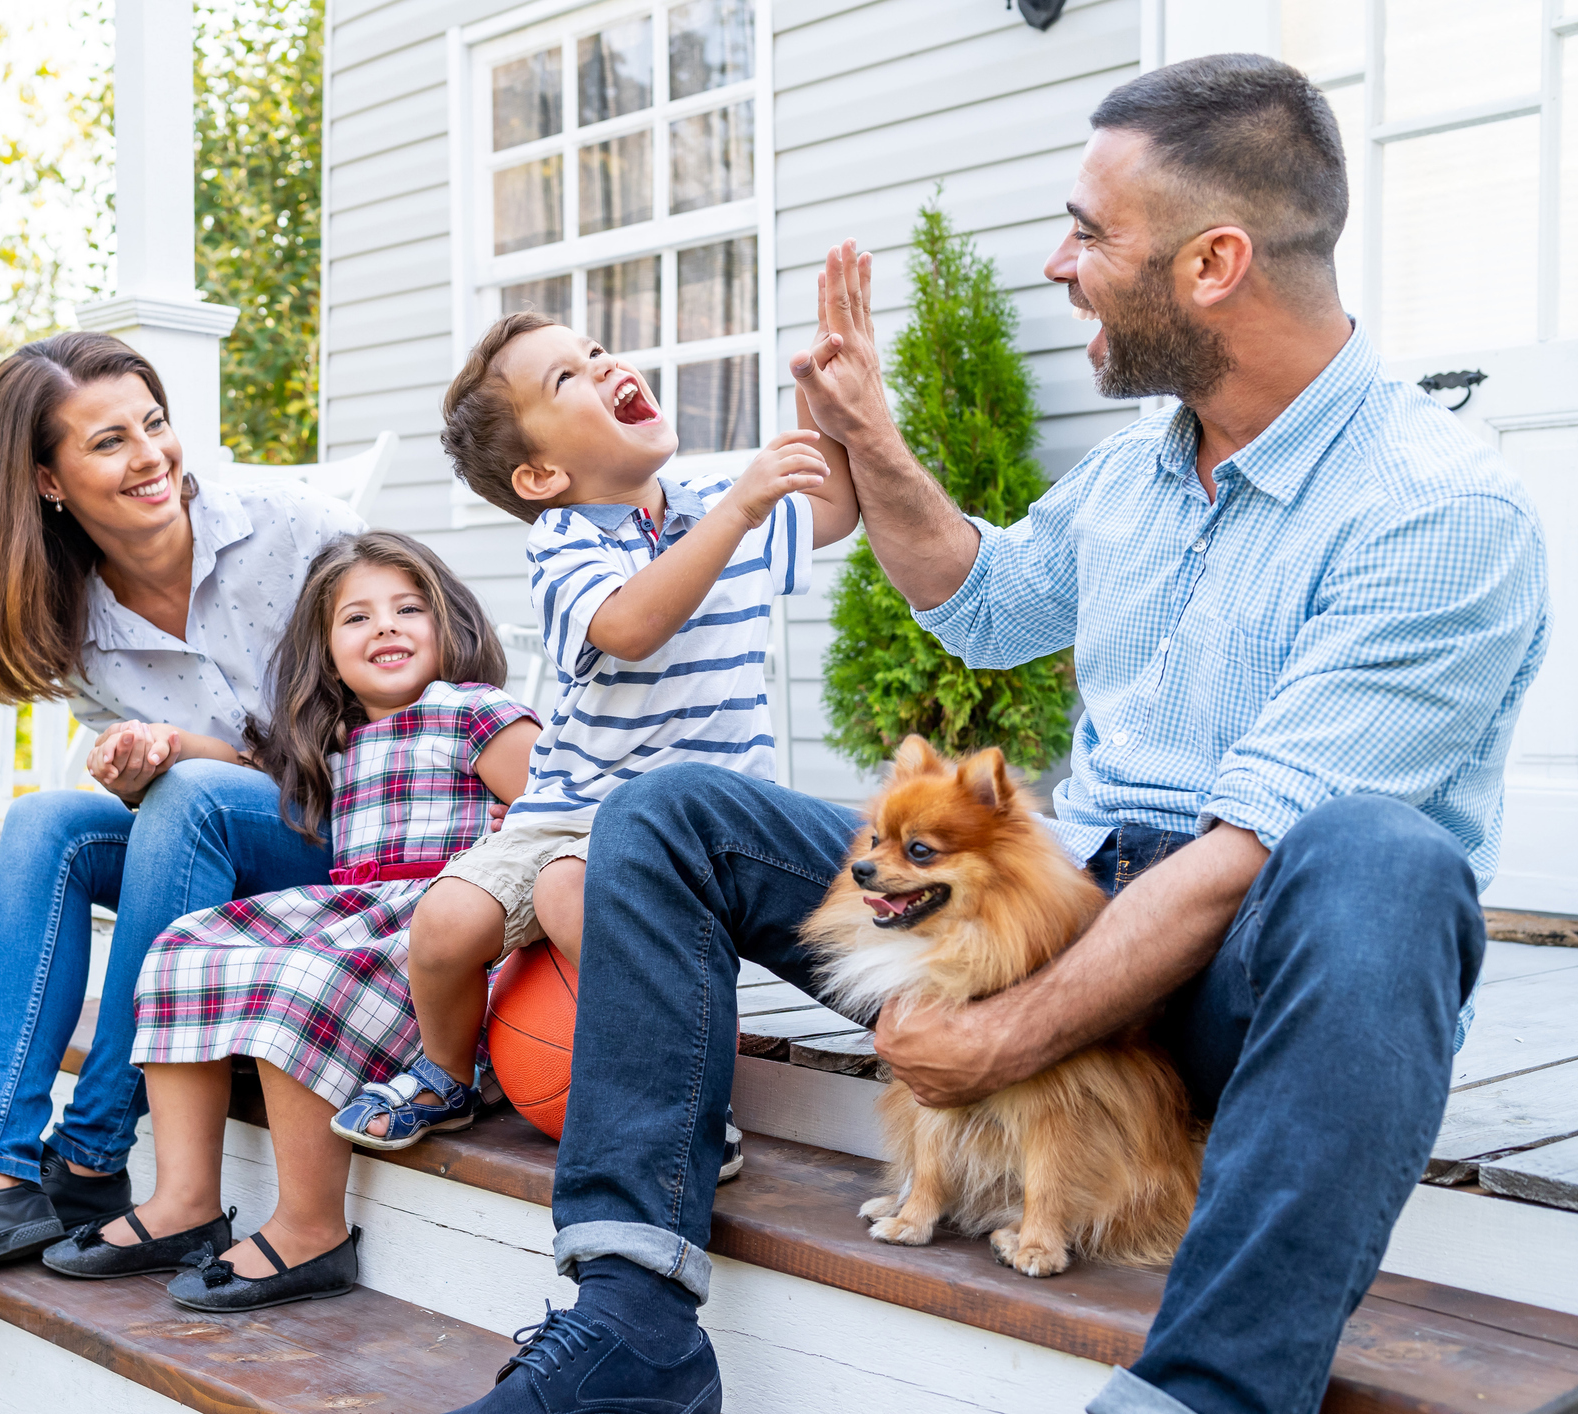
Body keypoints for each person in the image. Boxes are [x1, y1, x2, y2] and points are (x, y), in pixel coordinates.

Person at [439, 55, 1551, 1414]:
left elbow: (1243, 855)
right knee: (670, 808)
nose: (1056, 264)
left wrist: (999, 1035)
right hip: (1060, 901)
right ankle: (628, 1312)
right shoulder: (1153, 461)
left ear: (1212, 263)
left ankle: (1201, 1392)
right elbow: (978, 598)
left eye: (1090, 233)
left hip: (1231, 977)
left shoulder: (1438, 511)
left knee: (1382, 859)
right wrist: (868, 429)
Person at [0, 331, 363, 1302]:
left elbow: (414, 703)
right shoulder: (77, 623)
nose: (151, 456)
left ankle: (96, 1147)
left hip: (355, 829)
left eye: (154, 424)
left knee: (187, 797)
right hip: (219, 847)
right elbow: (174, 821)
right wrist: (140, 766)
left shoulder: (294, 529)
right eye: (109, 442)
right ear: (49, 480)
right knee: (47, 826)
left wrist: (186, 762)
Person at [328, 316, 861, 1154]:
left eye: (593, 353)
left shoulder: (719, 498)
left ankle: (678, 1093)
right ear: (542, 475)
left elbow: (833, 507)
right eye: (566, 379)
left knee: (572, 897)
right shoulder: (566, 540)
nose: (603, 363)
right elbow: (628, 624)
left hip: (690, 824)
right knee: (441, 926)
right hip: (566, 807)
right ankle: (445, 1074)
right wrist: (741, 509)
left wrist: (825, 405)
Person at [37, 532, 538, 1311]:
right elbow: (243, 768)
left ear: (451, 626)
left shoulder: (473, 714)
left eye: (409, 609)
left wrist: (512, 838)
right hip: (361, 928)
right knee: (181, 949)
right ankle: (184, 1203)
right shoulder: (337, 742)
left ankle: (311, 1229)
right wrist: (164, 745)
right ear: (325, 652)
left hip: (443, 949)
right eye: (357, 618)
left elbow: (557, 816)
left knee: (297, 975)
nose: (385, 628)